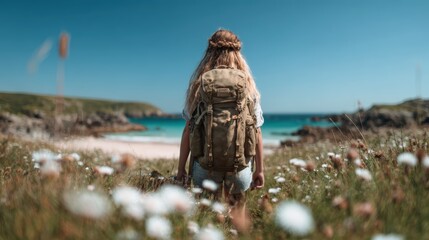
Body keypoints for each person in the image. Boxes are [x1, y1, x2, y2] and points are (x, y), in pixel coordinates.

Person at [176, 29, 264, 202]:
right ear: (238, 53)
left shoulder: (199, 85)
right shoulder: (247, 85)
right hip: (239, 169)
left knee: (207, 213)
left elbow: (189, 130)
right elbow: (257, 131)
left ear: (209, 52)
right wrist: (259, 170)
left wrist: (181, 170)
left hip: (205, 168)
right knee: (237, 213)